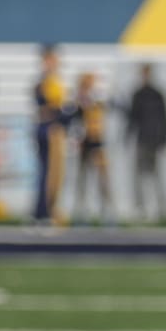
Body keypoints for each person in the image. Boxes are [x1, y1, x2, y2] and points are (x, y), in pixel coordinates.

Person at [67, 72, 112, 223]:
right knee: (82, 178)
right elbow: (75, 123)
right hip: (84, 143)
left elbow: (102, 115)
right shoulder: (77, 101)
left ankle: (106, 210)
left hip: (97, 142)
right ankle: (80, 210)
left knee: (102, 179)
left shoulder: (97, 99)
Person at [127, 63, 166, 222]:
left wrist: (164, 139)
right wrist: (128, 136)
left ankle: (162, 209)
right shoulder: (138, 94)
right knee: (138, 175)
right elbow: (132, 118)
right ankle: (141, 209)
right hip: (142, 140)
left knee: (156, 176)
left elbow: (165, 118)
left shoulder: (157, 95)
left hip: (154, 140)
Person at [33, 43, 67, 223]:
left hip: (48, 126)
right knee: (49, 172)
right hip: (49, 128)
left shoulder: (50, 80)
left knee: (51, 172)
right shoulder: (47, 81)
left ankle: (46, 209)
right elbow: (54, 107)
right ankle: (44, 211)